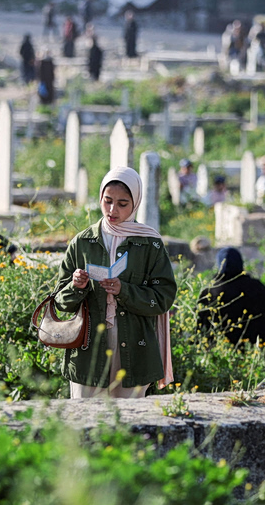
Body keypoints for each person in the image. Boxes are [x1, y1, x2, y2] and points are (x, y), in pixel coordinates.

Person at [53, 166, 177, 398]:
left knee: (127, 426)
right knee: (85, 423)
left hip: (134, 347)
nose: (112, 210)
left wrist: (124, 290)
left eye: (122, 204)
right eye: (107, 200)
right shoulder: (82, 242)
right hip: (88, 348)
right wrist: (76, 286)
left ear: (135, 203)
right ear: (100, 197)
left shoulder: (150, 243)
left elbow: (164, 297)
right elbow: (60, 301)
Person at [197, 248, 265, 364]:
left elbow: (200, 329)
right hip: (264, 356)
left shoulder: (210, 292)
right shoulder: (256, 288)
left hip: (224, 360)